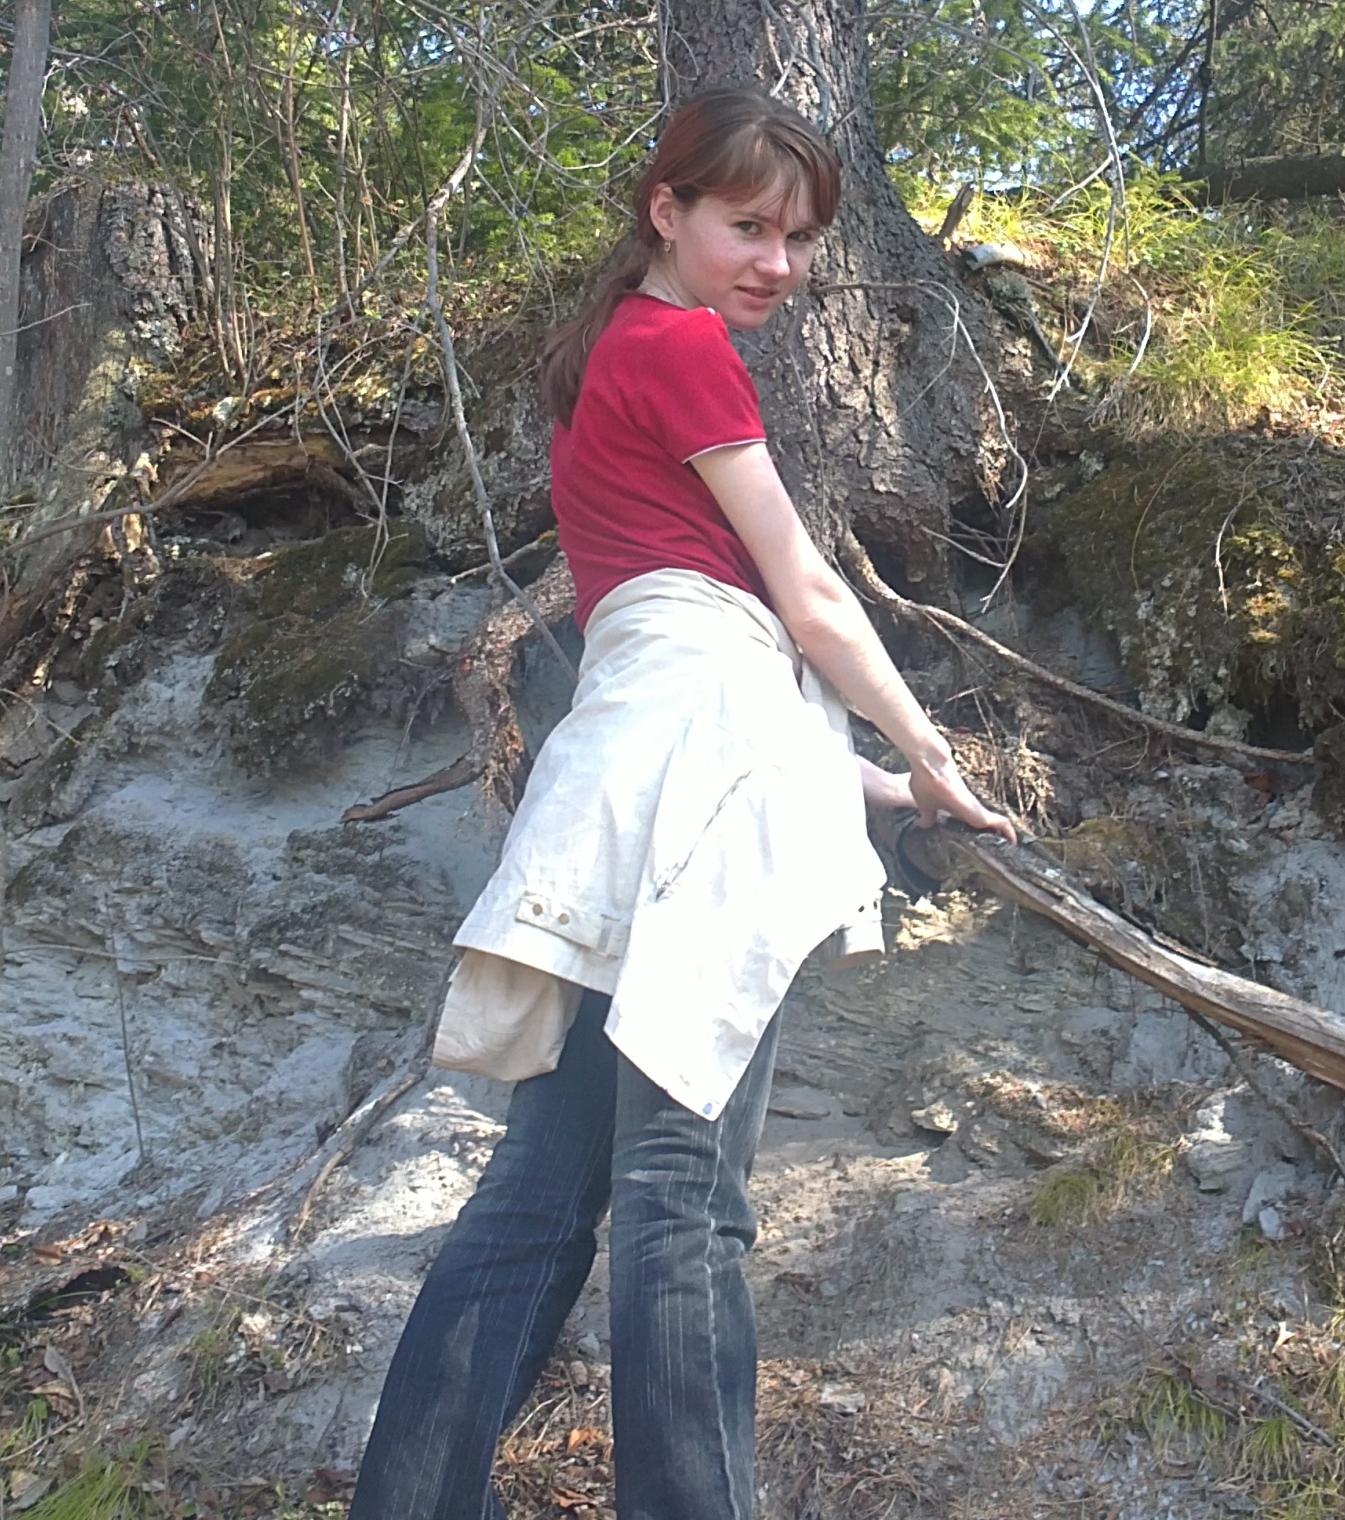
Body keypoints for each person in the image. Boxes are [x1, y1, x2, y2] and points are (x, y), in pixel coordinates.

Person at [345, 88, 1017, 1520]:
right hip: (701, 775)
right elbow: (801, 597)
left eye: (800, 238)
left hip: (629, 775)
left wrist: (872, 784)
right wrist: (926, 745)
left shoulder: (605, 358)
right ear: (668, 211)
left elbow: (683, 652)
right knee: (681, 1200)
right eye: (750, 227)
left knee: (541, 1198)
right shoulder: (686, 348)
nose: (780, 263)